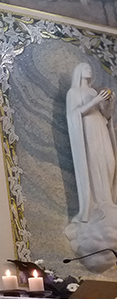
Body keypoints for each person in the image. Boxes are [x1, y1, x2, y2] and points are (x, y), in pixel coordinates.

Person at [66, 62, 117, 223]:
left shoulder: (94, 91)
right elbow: (73, 114)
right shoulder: (73, 92)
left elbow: (106, 116)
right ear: (78, 72)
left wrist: (110, 103)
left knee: (110, 162)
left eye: (90, 67)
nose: (89, 69)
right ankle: (99, 203)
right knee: (95, 163)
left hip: (101, 128)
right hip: (87, 131)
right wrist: (94, 102)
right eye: (85, 67)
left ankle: (108, 200)